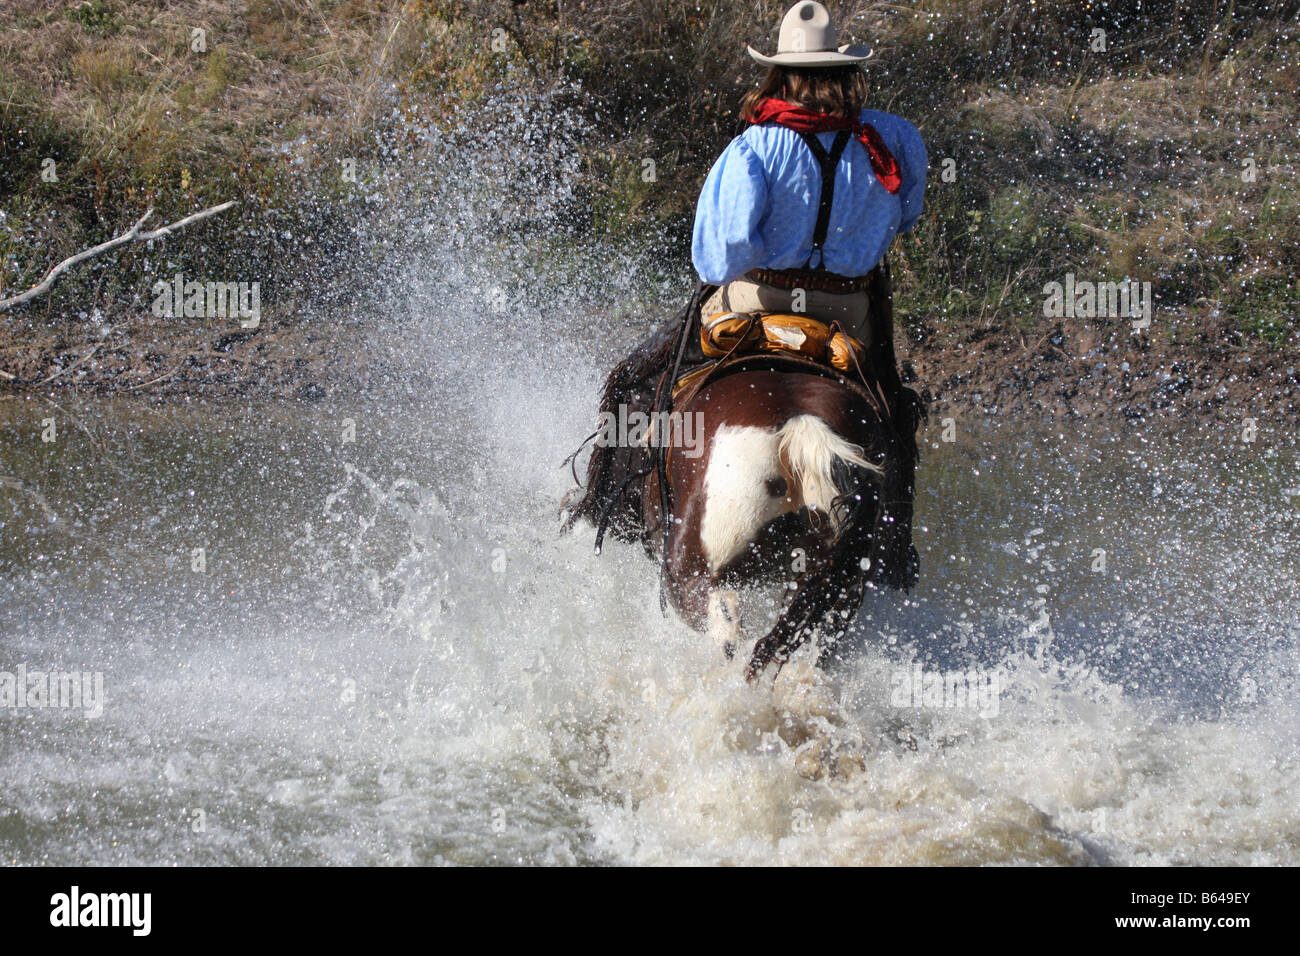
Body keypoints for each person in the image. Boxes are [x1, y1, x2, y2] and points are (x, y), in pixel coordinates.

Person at [565, 1, 926, 544]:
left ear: (781, 72)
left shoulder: (755, 146)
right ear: (849, 72)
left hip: (756, 302)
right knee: (896, 415)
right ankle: (895, 545)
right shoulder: (894, 139)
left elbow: (715, 257)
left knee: (638, 386)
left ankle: (611, 514)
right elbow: (907, 216)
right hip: (851, 312)